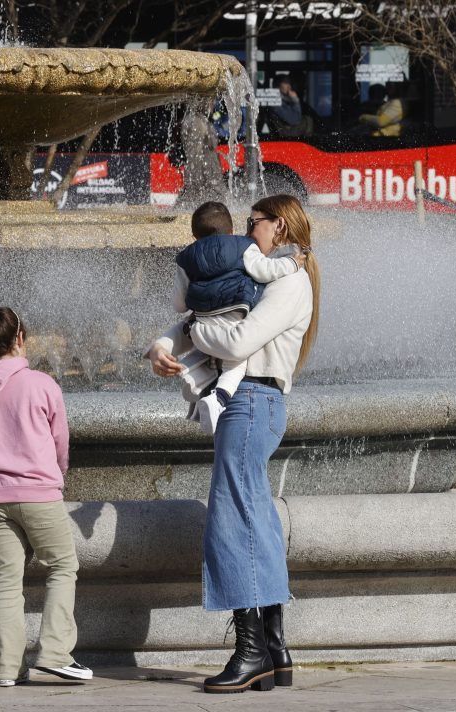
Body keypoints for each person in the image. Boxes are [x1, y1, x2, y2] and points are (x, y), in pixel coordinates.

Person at [148, 194, 320, 694]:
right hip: (248, 402)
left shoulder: (290, 282)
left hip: (252, 401)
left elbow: (239, 340)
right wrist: (162, 345)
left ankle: (250, 653)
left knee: (230, 516)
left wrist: (193, 331)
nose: (246, 231)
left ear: (279, 226)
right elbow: (211, 311)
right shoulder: (261, 275)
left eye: (254, 221)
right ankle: (273, 648)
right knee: (256, 517)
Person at [0, 305, 92, 688]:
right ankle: (55, 654)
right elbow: (60, 442)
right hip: (37, 492)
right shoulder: (40, 383)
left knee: (5, 580)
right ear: (19, 338)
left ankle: (6, 669)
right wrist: (57, 475)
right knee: (62, 567)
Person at [172, 201, 306, 434]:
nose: (248, 231)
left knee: (211, 351)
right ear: (231, 230)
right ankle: (219, 398)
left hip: (203, 326)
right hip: (232, 323)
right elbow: (265, 270)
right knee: (236, 363)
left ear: (194, 236)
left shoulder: (185, 258)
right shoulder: (244, 248)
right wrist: (291, 262)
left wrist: (192, 326)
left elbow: (179, 305)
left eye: (252, 223)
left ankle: (194, 377)